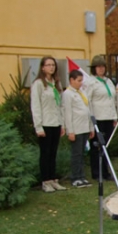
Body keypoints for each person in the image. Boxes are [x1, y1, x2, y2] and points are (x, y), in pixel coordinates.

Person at [30, 56, 66, 193]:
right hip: (45, 123)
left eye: (53, 65)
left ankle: (53, 179)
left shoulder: (56, 84)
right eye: (48, 65)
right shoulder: (39, 84)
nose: (51, 67)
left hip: (55, 122)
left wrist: (62, 124)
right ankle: (45, 181)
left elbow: (60, 105)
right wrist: (38, 126)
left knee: (53, 153)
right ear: (43, 67)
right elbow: (36, 106)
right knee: (45, 153)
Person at [86, 55, 117, 180]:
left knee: (106, 145)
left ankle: (105, 171)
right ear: (94, 68)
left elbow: (112, 100)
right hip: (97, 117)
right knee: (97, 146)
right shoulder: (91, 82)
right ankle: (97, 172)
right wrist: (91, 120)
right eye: (98, 67)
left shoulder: (108, 81)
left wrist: (114, 117)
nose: (101, 69)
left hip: (108, 116)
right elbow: (87, 101)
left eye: (103, 66)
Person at [63, 70, 94, 188]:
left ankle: (82, 176)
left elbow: (88, 110)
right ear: (71, 80)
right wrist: (70, 131)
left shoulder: (82, 92)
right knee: (76, 154)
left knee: (82, 153)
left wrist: (91, 127)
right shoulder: (68, 94)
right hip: (76, 128)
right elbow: (68, 113)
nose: (81, 83)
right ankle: (75, 177)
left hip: (85, 127)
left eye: (82, 81)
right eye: (79, 80)